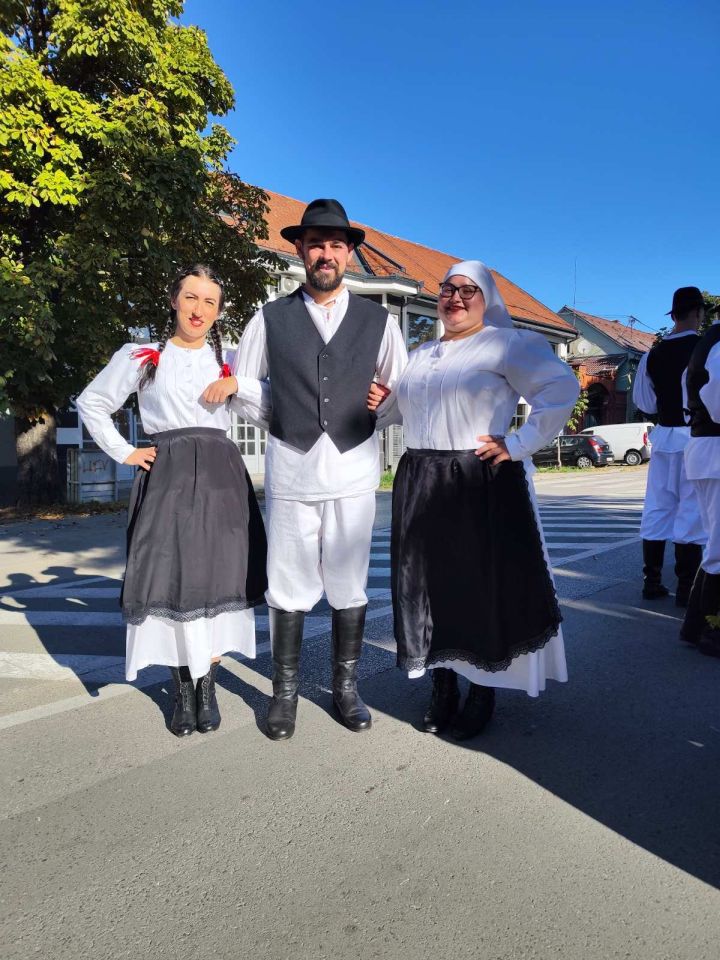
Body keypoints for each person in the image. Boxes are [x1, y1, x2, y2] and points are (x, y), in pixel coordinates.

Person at [205, 199, 408, 740]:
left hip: (354, 470)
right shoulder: (268, 318)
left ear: (349, 254)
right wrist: (286, 414)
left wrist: (380, 404)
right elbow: (244, 389)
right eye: (315, 243)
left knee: (350, 583)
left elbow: (401, 393)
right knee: (287, 584)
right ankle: (285, 694)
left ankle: (345, 690)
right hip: (292, 469)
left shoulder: (379, 321)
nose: (325, 253)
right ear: (299, 249)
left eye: (335, 245)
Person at [373, 260, 579, 740]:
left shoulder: (505, 344)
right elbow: (396, 411)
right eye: (448, 289)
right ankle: (442, 685)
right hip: (421, 477)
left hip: (475, 477)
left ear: (486, 299)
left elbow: (561, 387)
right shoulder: (421, 355)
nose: (456, 298)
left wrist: (519, 442)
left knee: (476, 587)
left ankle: (482, 689)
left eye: (469, 291)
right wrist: (378, 404)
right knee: (426, 586)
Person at [76, 265, 268, 737]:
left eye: (210, 302)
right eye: (191, 297)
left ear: (219, 311)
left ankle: (209, 686)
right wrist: (125, 451)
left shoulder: (230, 359)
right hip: (169, 475)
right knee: (174, 575)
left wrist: (238, 385)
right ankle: (184, 688)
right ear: (174, 300)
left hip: (222, 479)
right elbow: (92, 402)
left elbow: (273, 410)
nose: (199, 309)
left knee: (217, 578)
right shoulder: (144, 356)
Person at [632, 287, 705, 605]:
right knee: (690, 509)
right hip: (696, 437)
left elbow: (643, 401)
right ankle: (687, 587)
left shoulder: (652, 354)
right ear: (699, 313)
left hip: (664, 436)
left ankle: (652, 581)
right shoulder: (707, 349)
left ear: (673, 315)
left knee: (658, 506)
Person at [681, 301, 720, 655]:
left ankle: (698, 625)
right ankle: (710, 629)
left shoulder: (707, 342)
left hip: (706, 447)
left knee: (716, 541)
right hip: (716, 449)